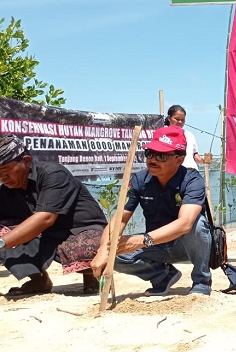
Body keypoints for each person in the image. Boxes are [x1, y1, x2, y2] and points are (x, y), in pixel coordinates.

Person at [90, 126, 212, 296]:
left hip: (185, 246)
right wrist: (104, 249)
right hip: (156, 245)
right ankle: (163, 276)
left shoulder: (192, 180)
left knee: (197, 224)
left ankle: (201, 280)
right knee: (113, 253)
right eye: (149, 153)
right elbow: (121, 219)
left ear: (179, 159)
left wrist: (141, 240)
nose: (153, 160)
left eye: (161, 156)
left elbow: (185, 224)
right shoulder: (140, 180)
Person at [0, 134, 106, 296]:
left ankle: (92, 275)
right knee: (4, 230)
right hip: (47, 236)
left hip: (80, 230)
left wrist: (2, 243)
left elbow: (45, 218)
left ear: (26, 161)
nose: (1, 177)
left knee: (87, 247)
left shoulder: (53, 174)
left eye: (5, 170)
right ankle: (39, 280)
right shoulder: (6, 191)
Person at [165, 105, 205, 170]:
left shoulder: (189, 135)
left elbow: (194, 154)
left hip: (191, 172)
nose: (180, 122)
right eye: (177, 119)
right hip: (173, 172)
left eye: (182, 120)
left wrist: (202, 161)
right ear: (169, 118)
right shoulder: (162, 134)